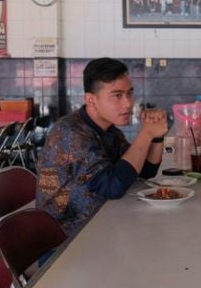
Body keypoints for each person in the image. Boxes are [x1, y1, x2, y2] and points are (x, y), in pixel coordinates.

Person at [36, 58, 168, 236]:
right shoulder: (70, 134)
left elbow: (144, 170)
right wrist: (146, 134)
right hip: (66, 241)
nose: (128, 103)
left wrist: (157, 137)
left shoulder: (109, 129)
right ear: (91, 100)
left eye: (129, 93)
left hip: (101, 226)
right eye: (117, 95)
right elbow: (113, 187)